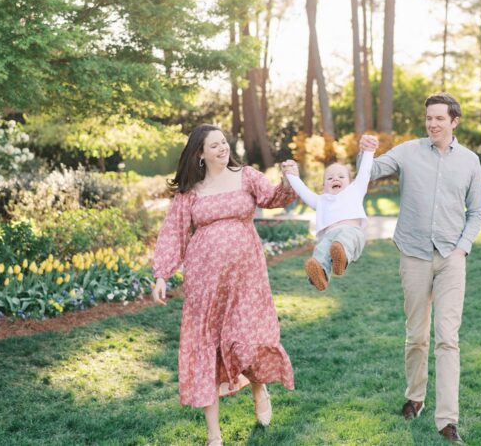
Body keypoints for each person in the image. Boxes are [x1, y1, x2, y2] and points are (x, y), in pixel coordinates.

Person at [151, 124, 296, 446]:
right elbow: (173, 233)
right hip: (205, 283)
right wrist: (161, 274)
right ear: (200, 154)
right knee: (206, 348)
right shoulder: (190, 191)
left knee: (247, 338)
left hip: (247, 279)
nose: (222, 149)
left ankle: (260, 390)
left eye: (224, 143)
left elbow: (274, 197)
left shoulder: (246, 176)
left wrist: (289, 179)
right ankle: (214, 436)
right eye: (214, 146)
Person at [367, 93, 481, 444]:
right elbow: (372, 171)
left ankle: (447, 420)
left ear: (454, 122)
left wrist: (463, 248)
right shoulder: (408, 151)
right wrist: (365, 152)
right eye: (429, 118)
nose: (432, 123)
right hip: (414, 254)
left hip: (451, 257)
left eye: (439, 118)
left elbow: (476, 211)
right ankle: (415, 397)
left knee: (448, 339)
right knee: (416, 334)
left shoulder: (469, 161)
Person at [281, 135, 378, 291]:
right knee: (320, 251)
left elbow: (365, 172)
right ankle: (320, 274)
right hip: (329, 237)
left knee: (342, 240)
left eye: (341, 176)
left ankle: (342, 258)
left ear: (350, 181)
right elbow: (303, 191)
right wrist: (291, 174)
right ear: (323, 187)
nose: (335, 179)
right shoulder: (320, 201)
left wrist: (368, 151)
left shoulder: (355, 190)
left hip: (351, 233)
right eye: (330, 178)